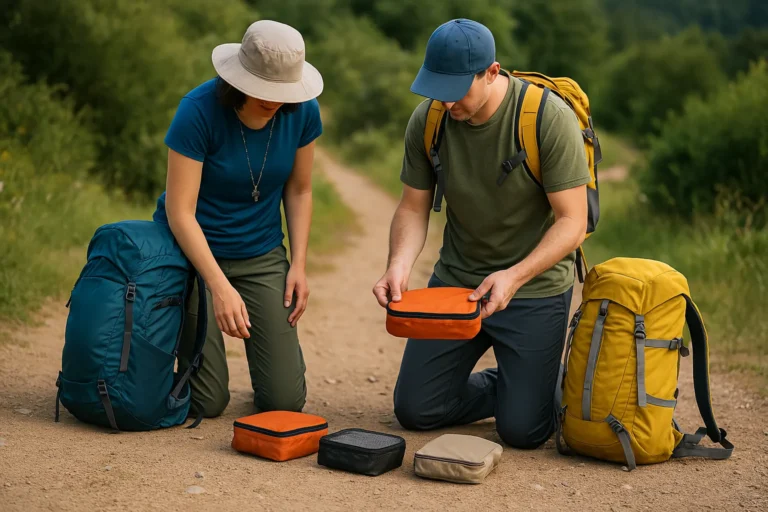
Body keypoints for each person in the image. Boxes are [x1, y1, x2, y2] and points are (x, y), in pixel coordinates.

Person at [373, 19, 590, 449]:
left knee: (523, 432)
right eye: (437, 87)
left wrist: (513, 276)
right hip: (457, 281)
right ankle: (512, 385)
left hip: (533, 288)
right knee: (415, 410)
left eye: (457, 88)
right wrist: (397, 266)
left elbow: (573, 222)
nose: (447, 100)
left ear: (492, 72)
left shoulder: (546, 119)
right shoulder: (429, 120)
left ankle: (537, 385)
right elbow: (413, 207)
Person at [152, 20, 324, 417]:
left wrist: (298, 264)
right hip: (192, 255)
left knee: (283, 404)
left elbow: (299, 190)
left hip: (261, 254)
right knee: (206, 403)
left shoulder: (303, 113)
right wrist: (219, 286)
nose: (275, 102)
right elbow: (180, 212)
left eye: (283, 92)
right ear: (239, 78)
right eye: (265, 91)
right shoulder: (197, 110)